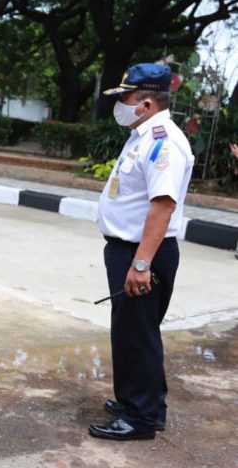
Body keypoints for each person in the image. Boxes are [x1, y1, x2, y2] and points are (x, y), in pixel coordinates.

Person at [89, 63, 194, 441]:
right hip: (129, 250)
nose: (119, 105)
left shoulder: (163, 141)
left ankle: (141, 417)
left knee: (138, 334)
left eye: (125, 98)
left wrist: (141, 264)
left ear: (146, 102)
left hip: (143, 253)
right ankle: (141, 400)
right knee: (132, 331)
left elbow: (162, 207)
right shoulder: (142, 133)